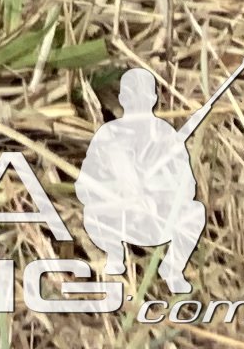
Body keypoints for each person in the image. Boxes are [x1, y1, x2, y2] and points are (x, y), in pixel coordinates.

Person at [79, 68, 207, 292]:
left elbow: (188, 187)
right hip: (117, 218)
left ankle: (172, 269)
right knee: (91, 213)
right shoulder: (109, 135)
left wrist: (157, 192)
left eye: (144, 96)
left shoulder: (167, 136)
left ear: (154, 99)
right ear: (121, 99)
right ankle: (115, 258)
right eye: (131, 96)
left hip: (157, 218)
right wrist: (116, 193)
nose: (137, 102)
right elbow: (83, 186)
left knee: (196, 212)